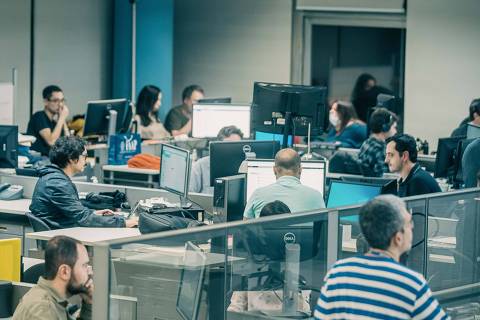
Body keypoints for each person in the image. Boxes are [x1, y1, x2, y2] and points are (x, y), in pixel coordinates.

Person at [314, 195, 449, 319]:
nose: (413, 227)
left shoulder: (338, 273)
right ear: (398, 238)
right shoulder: (411, 283)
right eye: (409, 223)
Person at [30, 136, 138, 229]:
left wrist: (93, 213)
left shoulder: (52, 178)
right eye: (85, 156)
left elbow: (75, 213)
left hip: (61, 233)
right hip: (63, 240)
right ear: (72, 159)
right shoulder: (57, 183)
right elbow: (84, 219)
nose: (86, 161)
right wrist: (124, 222)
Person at [13, 236, 93, 319]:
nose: (90, 271)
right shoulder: (43, 310)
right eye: (84, 265)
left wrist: (89, 303)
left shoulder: (56, 300)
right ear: (64, 272)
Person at [243, 148, 325, 219]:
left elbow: (245, 229)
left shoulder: (257, 194)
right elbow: (323, 229)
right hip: (303, 237)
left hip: (267, 237)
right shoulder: (316, 196)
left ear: (274, 170)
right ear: (300, 170)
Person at [189, 126, 243, 194]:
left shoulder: (246, 168)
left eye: (237, 146)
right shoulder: (201, 165)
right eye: (229, 145)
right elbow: (190, 195)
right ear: (218, 146)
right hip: (205, 204)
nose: (233, 150)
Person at [27, 85, 70, 156]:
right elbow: (52, 142)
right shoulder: (39, 116)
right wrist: (61, 118)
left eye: (62, 100)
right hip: (39, 161)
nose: (60, 104)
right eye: (56, 101)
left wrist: (63, 121)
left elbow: (69, 144)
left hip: (51, 160)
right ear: (46, 102)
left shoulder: (55, 122)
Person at [357, 107, 398, 176]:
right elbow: (384, 178)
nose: (395, 131)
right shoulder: (380, 149)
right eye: (394, 127)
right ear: (385, 127)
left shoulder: (366, 143)